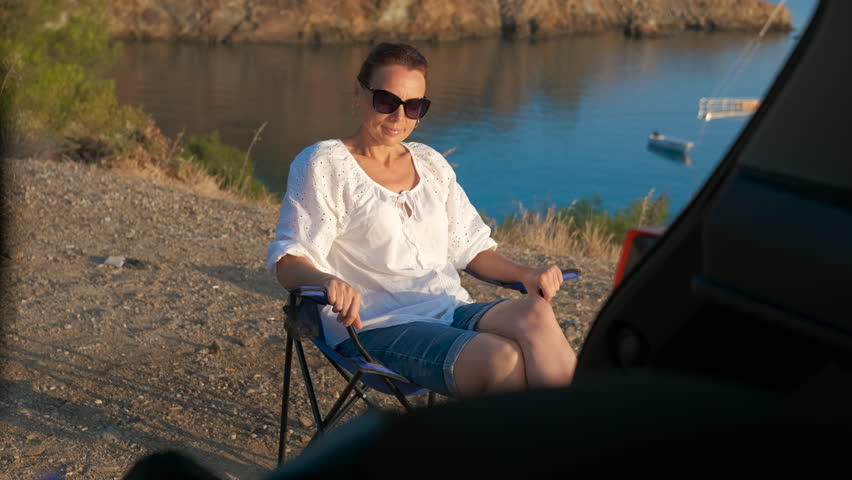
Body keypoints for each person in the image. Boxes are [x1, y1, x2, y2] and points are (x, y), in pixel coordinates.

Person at [267, 42, 576, 399]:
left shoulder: (429, 163)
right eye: (386, 101)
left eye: (414, 107)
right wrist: (325, 280)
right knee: (501, 358)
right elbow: (289, 261)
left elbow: (470, 248)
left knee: (536, 315)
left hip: (448, 308)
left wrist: (526, 274)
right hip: (377, 325)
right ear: (358, 93)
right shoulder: (325, 163)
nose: (400, 117)